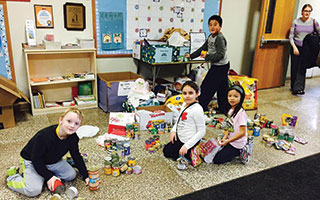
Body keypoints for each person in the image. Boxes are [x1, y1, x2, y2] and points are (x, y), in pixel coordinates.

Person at [6, 107, 89, 197]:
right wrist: (49, 177)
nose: (72, 126)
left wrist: (86, 175)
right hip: (32, 160)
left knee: (71, 175)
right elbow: (36, 159)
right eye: (69, 121)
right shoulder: (44, 136)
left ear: (79, 126)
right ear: (61, 120)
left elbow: (76, 155)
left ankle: (42, 175)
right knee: (33, 190)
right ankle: (12, 177)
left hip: (52, 160)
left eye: (76, 123)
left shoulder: (73, 137)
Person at [185, 15, 230, 114]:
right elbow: (203, 48)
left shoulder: (219, 38)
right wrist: (191, 56)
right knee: (222, 87)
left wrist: (207, 57)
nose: (212, 27)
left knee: (207, 86)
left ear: (220, 26)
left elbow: (220, 55)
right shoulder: (210, 37)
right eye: (210, 25)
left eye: (215, 25)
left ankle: (201, 106)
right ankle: (224, 108)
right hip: (218, 65)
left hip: (221, 66)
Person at [163, 81, 206, 164]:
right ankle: (188, 151)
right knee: (166, 151)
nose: (187, 96)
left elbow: (202, 131)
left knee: (177, 154)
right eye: (184, 93)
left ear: (197, 94)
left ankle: (194, 149)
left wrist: (186, 146)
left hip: (189, 139)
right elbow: (179, 119)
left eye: (190, 93)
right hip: (181, 136)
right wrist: (173, 130)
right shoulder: (184, 104)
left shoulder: (197, 110)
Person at [213, 84, 248, 164]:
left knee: (217, 160)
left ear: (241, 98)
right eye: (230, 96)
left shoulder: (241, 113)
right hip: (230, 140)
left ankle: (240, 151)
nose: (232, 98)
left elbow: (242, 132)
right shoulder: (230, 110)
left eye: (235, 96)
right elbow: (228, 126)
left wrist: (228, 141)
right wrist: (225, 137)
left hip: (237, 143)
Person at [289, 4, 320, 95]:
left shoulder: (314, 22)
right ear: (302, 11)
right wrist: (294, 47)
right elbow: (291, 37)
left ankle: (299, 88)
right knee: (294, 67)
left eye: (309, 11)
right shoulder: (296, 22)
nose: (307, 13)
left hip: (307, 49)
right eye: (306, 11)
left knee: (302, 68)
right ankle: (293, 86)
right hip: (296, 47)